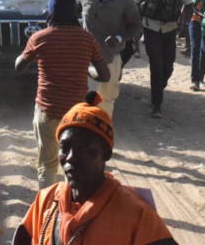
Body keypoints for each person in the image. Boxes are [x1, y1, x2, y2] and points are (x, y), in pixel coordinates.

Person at [13, 91, 178, 245]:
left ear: (106, 154)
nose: (71, 157)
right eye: (65, 147)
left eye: (85, 148)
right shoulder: (46, 201)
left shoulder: (136, 214)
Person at [15, 0, 110, 189]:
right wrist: (85, 68)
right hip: (76, 116)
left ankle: (47, 210)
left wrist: (32, 51)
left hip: (47, 111)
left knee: (47, 165)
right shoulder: (87, 39)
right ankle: (72, 210)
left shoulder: (40, 38)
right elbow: (104, 74)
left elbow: (19, 67)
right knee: (74, 165)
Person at [76, 0, 141, 118]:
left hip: (110, 57)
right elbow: (71, 16)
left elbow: (136, 27)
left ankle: (101, 134)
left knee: (106, 100)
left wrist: (119, 38)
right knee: (84, 99)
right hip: (86, 57)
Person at [134, 0, 192, 118]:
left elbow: (189, 4)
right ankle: (156, 104)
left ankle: (159, 86)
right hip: (150, 28)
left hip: (170, 28)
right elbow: (134, 3)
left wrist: (183, 22)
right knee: (156, 65)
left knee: (168, 66)